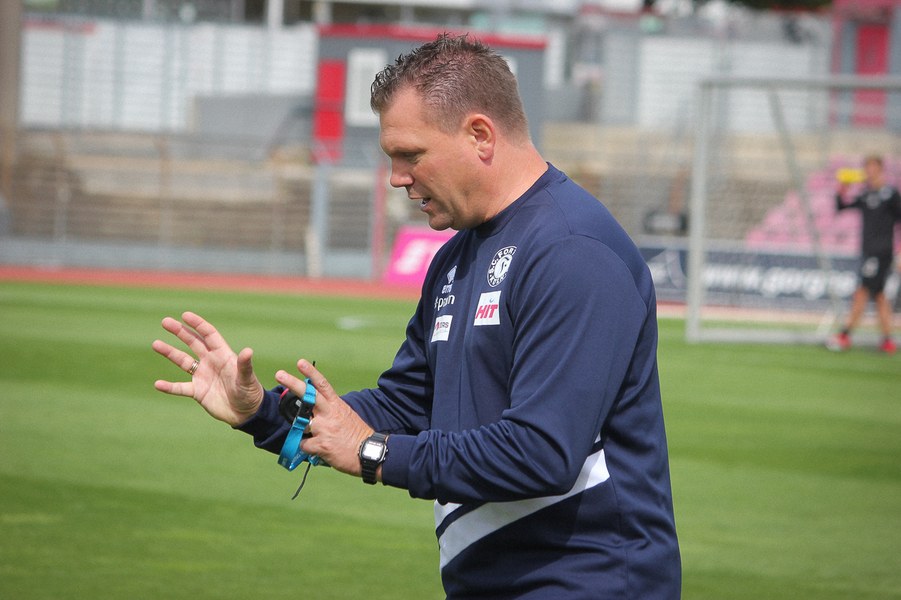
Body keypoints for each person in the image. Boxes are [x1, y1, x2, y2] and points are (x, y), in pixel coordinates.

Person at [153, 34, 681, 599]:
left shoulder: (572, 250)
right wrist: (264, 412)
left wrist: (374, 454)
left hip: (590, 582)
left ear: (480, 135)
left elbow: (541, 453)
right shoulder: (456, 258)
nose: (396, 178)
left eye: (410, 155)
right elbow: (408, 404)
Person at [827, 155, 901, 354]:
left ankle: (845, 335)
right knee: (880, 296)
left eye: (872, 167)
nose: (869, 171)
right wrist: (843, 187)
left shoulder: (890, 194)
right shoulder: (866, 194)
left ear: (880, 169)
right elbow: (841, 206)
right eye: (867, 167)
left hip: (881, 252)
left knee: (861, 292)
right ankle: (888, 341)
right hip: (868, 252)